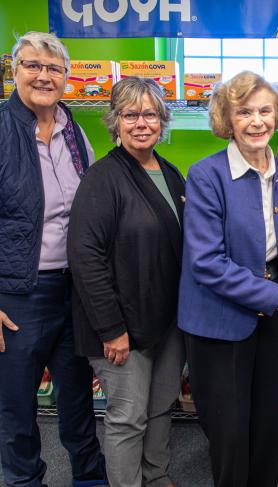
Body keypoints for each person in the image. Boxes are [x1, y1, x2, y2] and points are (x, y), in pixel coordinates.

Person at [178, 70, 278, 487]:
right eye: (244, 112)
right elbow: (207, 263)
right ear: (228, 119)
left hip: (270, 319)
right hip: (219, 321)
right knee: (228, 435)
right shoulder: (206, 175)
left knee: (266, 429)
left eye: (265, 111)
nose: (257, 121)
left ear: (277, 116)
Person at [0, 31, 107, 487]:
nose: (43, 76)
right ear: (14, 72)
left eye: (54, 68)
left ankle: (88, 477)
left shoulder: (75, 131)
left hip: (73, 288)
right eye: (32, 66)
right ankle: (25, 481)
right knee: (17, 403)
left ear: (66, 77)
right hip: (18, 294)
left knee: (77, 395)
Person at [67, 77, 186, 487]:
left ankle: (156, 477)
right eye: (130, 114)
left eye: (149, 114)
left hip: (167, 322)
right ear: (115, 122)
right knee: (128, 417)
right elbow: (85, 257)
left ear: (162, 120)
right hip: (121, 328)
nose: (141, 123)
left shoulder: (170, 174)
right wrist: (111, 328)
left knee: (158, 409)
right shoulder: (103, 177)